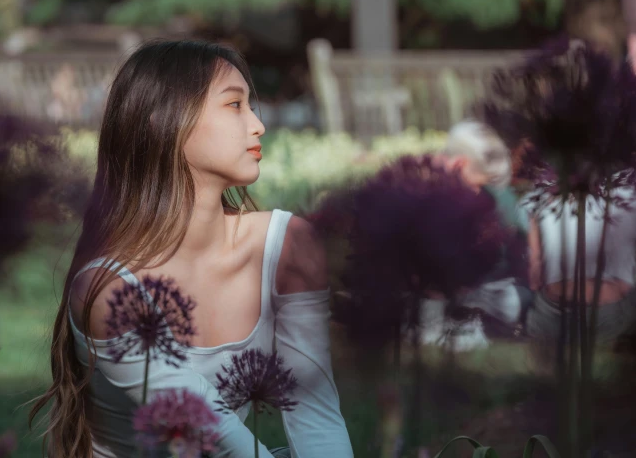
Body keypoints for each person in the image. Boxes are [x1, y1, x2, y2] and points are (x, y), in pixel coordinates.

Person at [30, 41, 354, 458]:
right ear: (164, 121)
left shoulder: (288, 246)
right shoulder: (111, 290)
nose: (258, 125)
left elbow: (316, 415)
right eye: (234, 105)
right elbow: (217, 443)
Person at [416, 120, 533, 351]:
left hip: (488, 294)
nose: (481, 191)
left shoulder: (496, 196)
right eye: (478, 183)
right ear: (458, 164)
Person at [523, 183, 636, 347]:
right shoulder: (630, 192)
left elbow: (535, 272)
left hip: (553, 314)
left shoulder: (539, 194)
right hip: (610, 314)